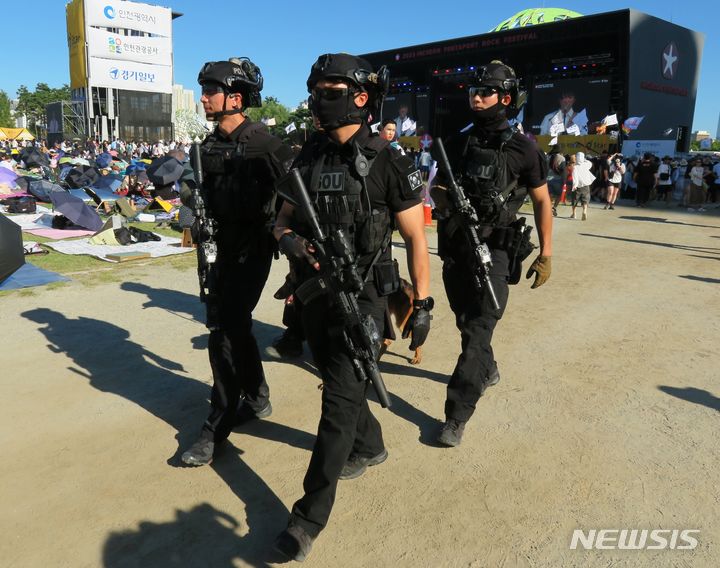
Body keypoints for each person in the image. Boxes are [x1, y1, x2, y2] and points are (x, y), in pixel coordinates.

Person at [271, 53, 431, 561]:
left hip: (365, 295)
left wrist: (423, 302)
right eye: (316, 87)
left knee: (338, 399)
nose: (320, 96)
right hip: (313, 293)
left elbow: (414, 238)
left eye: (331, 88)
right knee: (341, 380)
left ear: (361, 97)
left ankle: (307, 518)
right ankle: (371, 445)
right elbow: (280, 221)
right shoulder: (307, 156)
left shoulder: (388, 159)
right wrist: (291, 242)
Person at [430, 61, 553, 447]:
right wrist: (445, 201)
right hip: (457, 246)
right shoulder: (456, 142)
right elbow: (435, 190)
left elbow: (542, 201)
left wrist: (547, 253)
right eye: (474, 91)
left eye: (485, 92)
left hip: (496, 249)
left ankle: (456, 414)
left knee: (480, 325)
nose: (477, 97)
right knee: (467, 322)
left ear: (505, 98)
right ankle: (488, 366)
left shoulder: (524, 150)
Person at [178, 57, 293, 466]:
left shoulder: (263, 141)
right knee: (234, 326)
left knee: (223, 333)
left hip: (252, 250)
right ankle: (257, 396)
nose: (204, 98)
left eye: (210, 90)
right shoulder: (208, 145)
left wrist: (290, 239)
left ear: (236, 98)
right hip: (218, 251)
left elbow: (299, 191)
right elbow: (203, 192)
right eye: (204, 90)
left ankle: (216, 426)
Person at [570, 152, 595, 220]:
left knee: (574, 200)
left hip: (578, 186)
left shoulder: (575, 167)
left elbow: (575, 177)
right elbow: (590, 163)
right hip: (586, 185)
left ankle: (574, 214)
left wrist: (574, 185)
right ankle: (584, 211)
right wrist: (584, 159)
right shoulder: (586, 165)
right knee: (585, 200)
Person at [546, 145, 566, 216]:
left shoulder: (547, 157)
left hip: (547, 179)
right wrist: (564, 181)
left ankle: (549, 208)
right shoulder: (562, 158)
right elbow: (563, 170)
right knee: (559, 195)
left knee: (549, 195)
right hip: (557, 179)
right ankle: (554, 207)